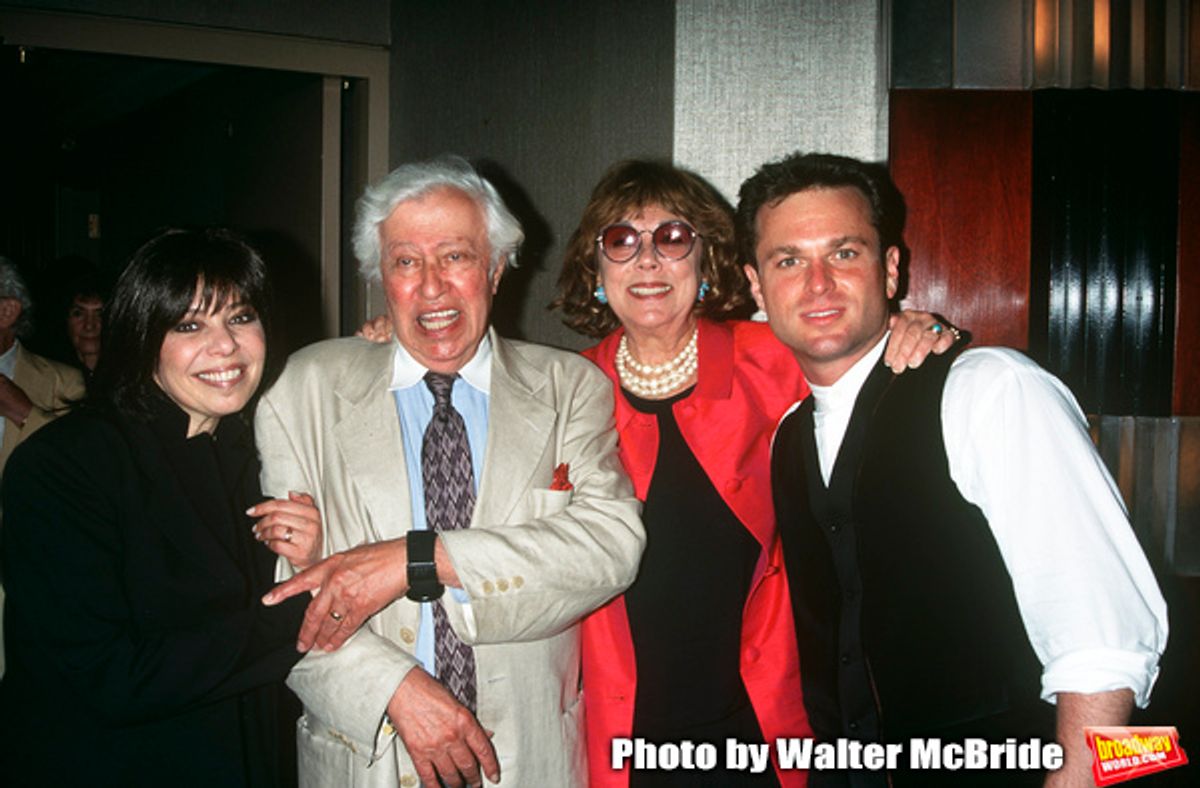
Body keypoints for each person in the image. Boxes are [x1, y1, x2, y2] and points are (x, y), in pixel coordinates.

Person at [737, 152, 1169, 787]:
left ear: (889, 270)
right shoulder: (786, 440)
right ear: (756, 286)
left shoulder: (991, 389)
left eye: (846, 253)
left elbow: (1101, 635)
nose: (819, 283)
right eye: (789, 260)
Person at [552, 160, 956, 788]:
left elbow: (862, 351)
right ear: (595, 270)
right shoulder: (559, 392)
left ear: (706, 262)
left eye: (674, 238)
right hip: (621, 731)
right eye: (622, 241)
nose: (649, 261)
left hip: (763, 727)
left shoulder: (773, 359)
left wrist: (924, 327)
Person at [256, 155, 645, 788]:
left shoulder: (570, 388)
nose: (431, 286)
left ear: (495, 269)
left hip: (528, 758)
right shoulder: (305, 388)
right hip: (367, 756)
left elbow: (608, 548)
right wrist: (398, 692)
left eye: (456, 257)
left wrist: (419, 559)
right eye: (406, 261)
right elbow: (280, 596)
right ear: (381, 276)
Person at [0, 228, 324, 786]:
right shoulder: (65, 465)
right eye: (189, 324)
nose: (225, 346)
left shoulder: (251, 450)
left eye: (241, 317)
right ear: (141, 334)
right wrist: (316, 609)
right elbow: (106, 677)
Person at [0, 255, 86, 678]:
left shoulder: (63, 384)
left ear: (7, 311)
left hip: (25, 594)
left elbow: (83, 484)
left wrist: (25, 413)